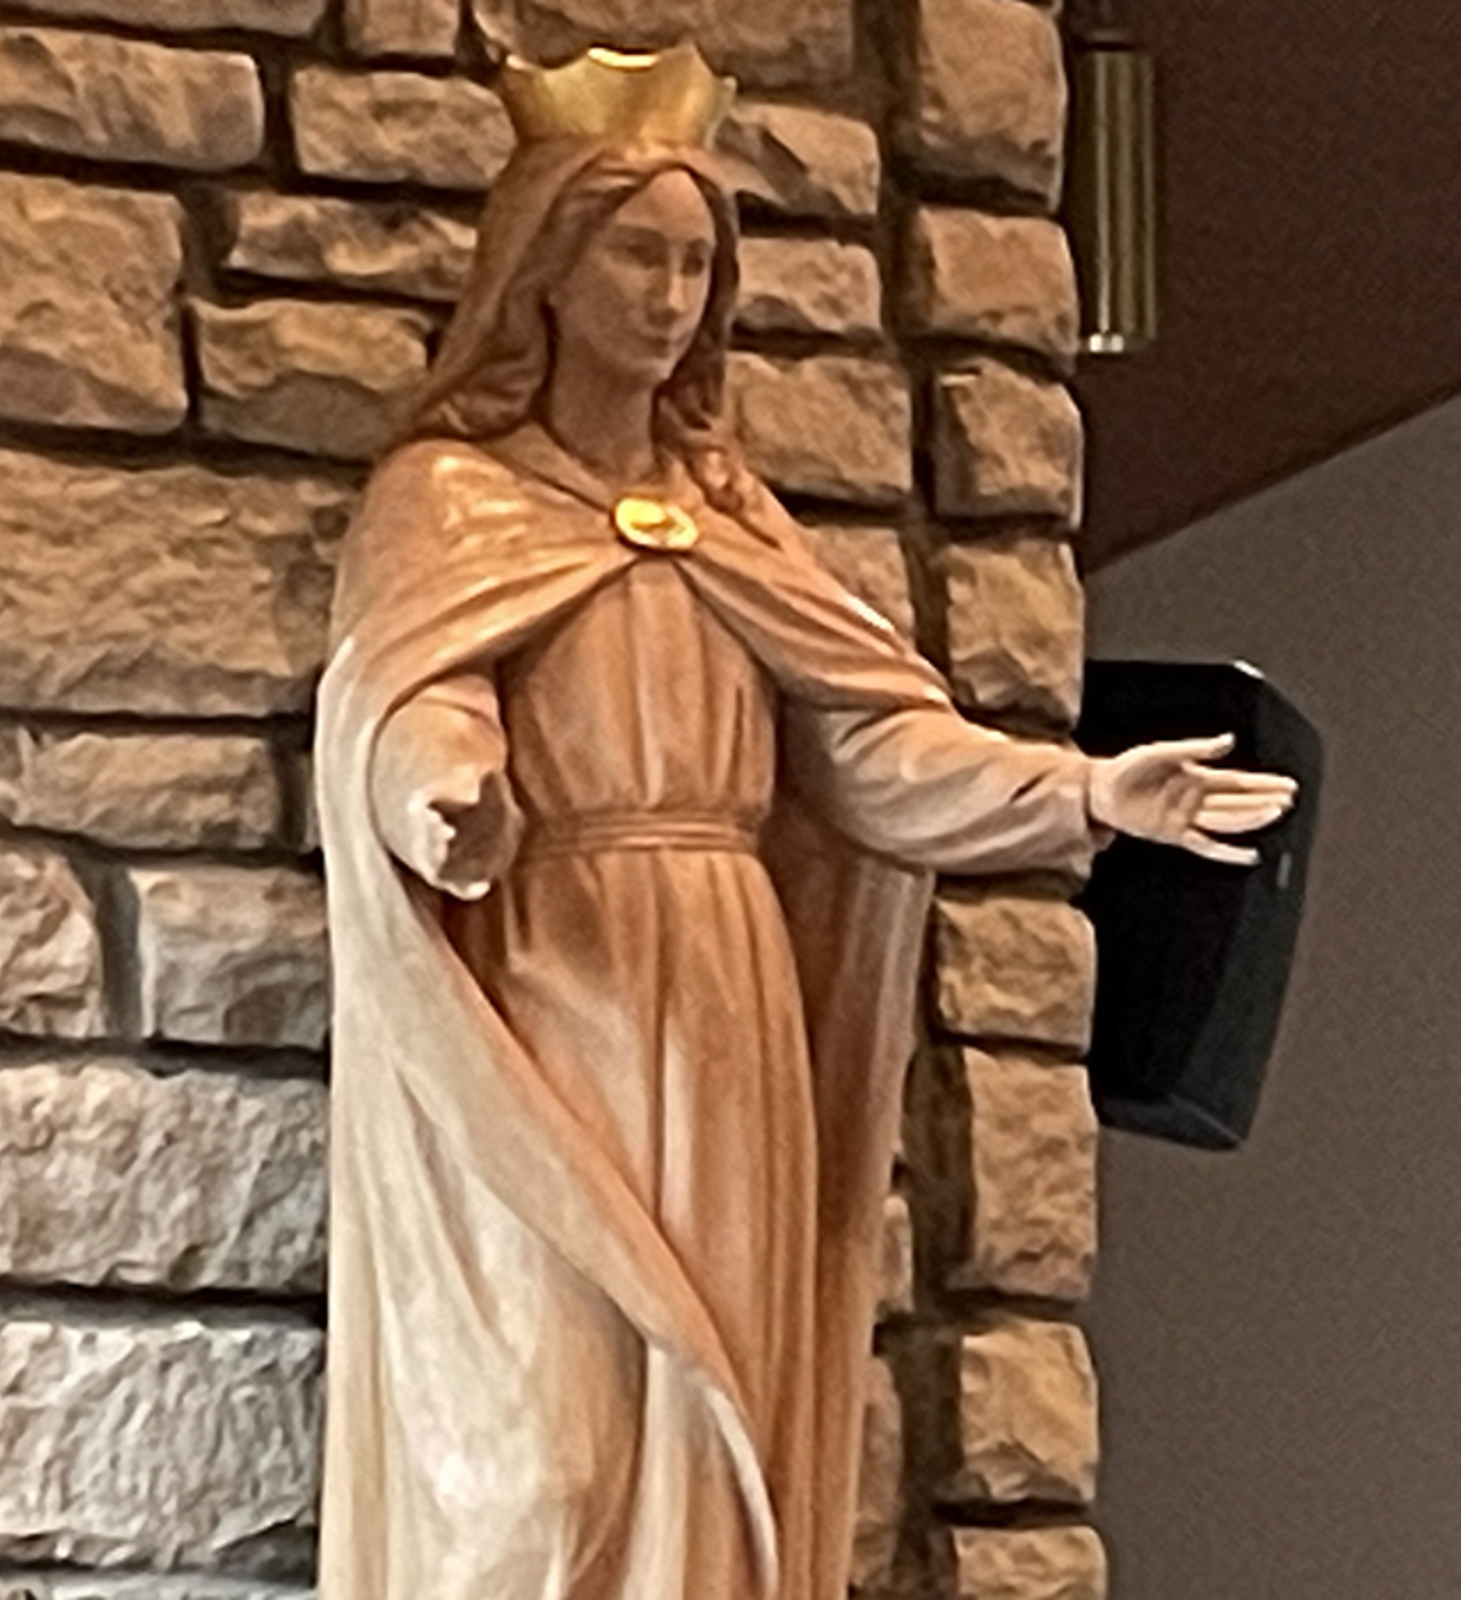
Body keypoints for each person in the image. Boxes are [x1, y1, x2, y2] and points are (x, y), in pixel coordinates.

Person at [312, 46, 1296, 1600]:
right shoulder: (449, 497)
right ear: (546, 268)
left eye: (698, 264)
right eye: (638, 255)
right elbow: (413, 690)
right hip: (551, 978)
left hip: (726, 992)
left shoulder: (734, 522)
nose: (673, 297)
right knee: (547, 1456)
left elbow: (872, 748)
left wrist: (1086, 792)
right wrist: (440, 789)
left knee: (728, 1414)